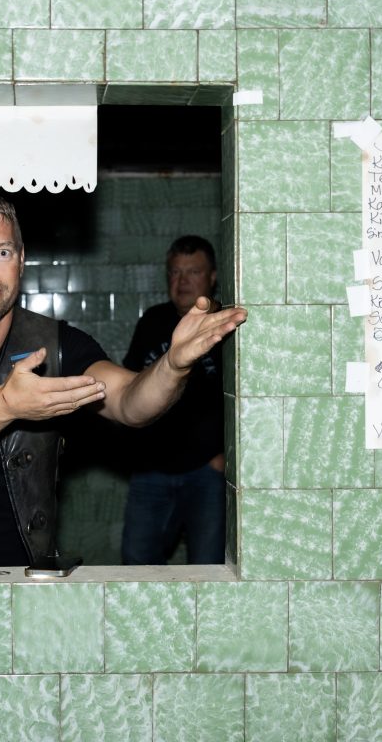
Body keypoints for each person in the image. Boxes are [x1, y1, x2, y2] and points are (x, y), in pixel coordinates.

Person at [0, 197, 247, 568]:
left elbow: (130, 403)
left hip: (30, 583)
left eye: (2, 252)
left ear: (21, 259)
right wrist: (4, 406)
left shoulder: (59, 343)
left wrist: (173, 365)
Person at [121, 236, 228, 565]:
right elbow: (128, 386)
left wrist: (227, 456)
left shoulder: (224, 326)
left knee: (208, 568)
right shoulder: (152, 321)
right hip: (151, 470)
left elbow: (248, 398)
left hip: (206, 471)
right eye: (174, 272)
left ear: (212, 277)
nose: (181, 281)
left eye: (192, 272)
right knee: (136, 565)